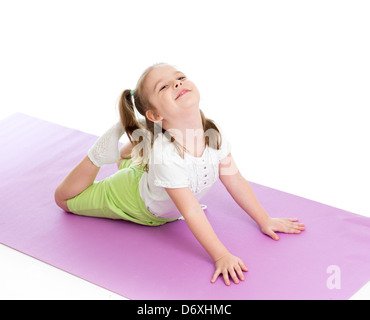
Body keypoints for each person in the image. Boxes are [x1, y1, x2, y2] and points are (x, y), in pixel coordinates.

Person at [55, 63, 305, 286]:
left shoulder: (212, 134)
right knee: (64, 200)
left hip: (153, 171)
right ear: (155, 115)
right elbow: (192, 210)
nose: (177, 83)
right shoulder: (167, 157)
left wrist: (264, 219)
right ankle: (101, 151)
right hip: (133, 198)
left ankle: (131, 148)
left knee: (136, 162)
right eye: (164, 86)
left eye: (180, 77)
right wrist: (221, 255)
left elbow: (234, 179)